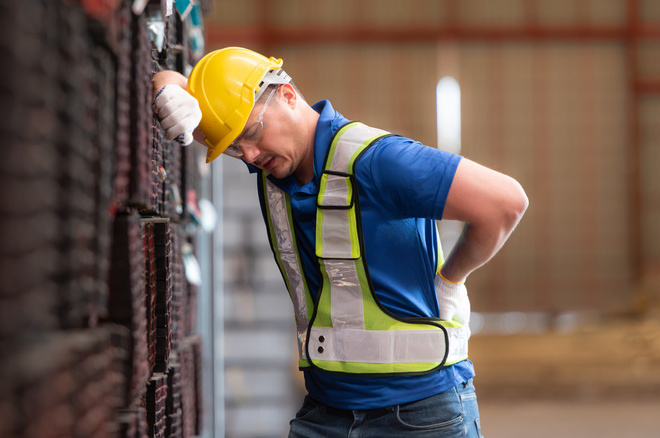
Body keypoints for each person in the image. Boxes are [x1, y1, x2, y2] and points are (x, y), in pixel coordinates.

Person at [152, 47, 528, 437]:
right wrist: (167, 84)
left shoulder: (380, 162)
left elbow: (505, 203)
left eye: (251, 134)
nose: (248, 154)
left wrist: (451, 279)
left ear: (287, 95)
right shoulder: (276, 158)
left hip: (419, 414)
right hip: (325, 412)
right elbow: (187, 107)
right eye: (233, 147)